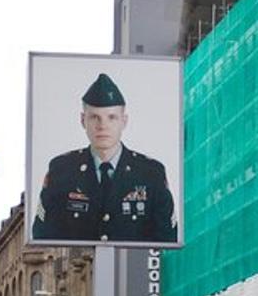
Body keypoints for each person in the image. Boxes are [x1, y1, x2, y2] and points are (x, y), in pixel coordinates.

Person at [32, 73, 176, 243]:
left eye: (111, 117)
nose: (102, 126)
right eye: (94, 117)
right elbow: (43, 235)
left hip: (133, 268)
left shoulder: (151, 173)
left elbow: (167, 239)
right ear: (82, 120)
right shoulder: (62, 170)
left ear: (124, 121)